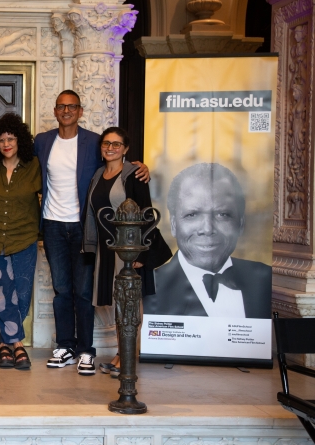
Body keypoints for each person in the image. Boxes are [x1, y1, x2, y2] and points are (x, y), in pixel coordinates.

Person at [34, 90, 149, 375]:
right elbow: (19, 159)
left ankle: (86, 349)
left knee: (84, 291)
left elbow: (115, 163)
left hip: (85, 227)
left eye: (72, 106)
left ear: (80, 111)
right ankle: (65, 346)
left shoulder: (94, 141)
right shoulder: (43, 141)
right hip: (52, 225)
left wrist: (139, 166)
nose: (66, 111)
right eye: (61, 106)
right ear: (55, 110)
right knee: (61, 290)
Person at [82, 127, 171, 377]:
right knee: (119, 304)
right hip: (107, 249)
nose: (110, 148)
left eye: (116, 144)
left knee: (131, 303)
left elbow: (145, 213)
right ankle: (122, 354)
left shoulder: (134, 175)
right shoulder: (99, 174)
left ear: (126, 149)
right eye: (106, 143)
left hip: (130, 251)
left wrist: (141, 255)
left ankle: (129, 358)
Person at [143, 163, 272, 319]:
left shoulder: (266, 280)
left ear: (241, 224)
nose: (207, 228)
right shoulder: (149, 289)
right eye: (192, 215)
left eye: (222, 214)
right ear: (174, 224)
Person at [0, 113, 40, 370]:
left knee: (22, 295)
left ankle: (4, 343)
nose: (6, 144)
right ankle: (18, 346)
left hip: (24, 237)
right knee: (1, 295)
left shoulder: (35, 165)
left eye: (11, 138)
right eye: (0, 140)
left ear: (19, 140)